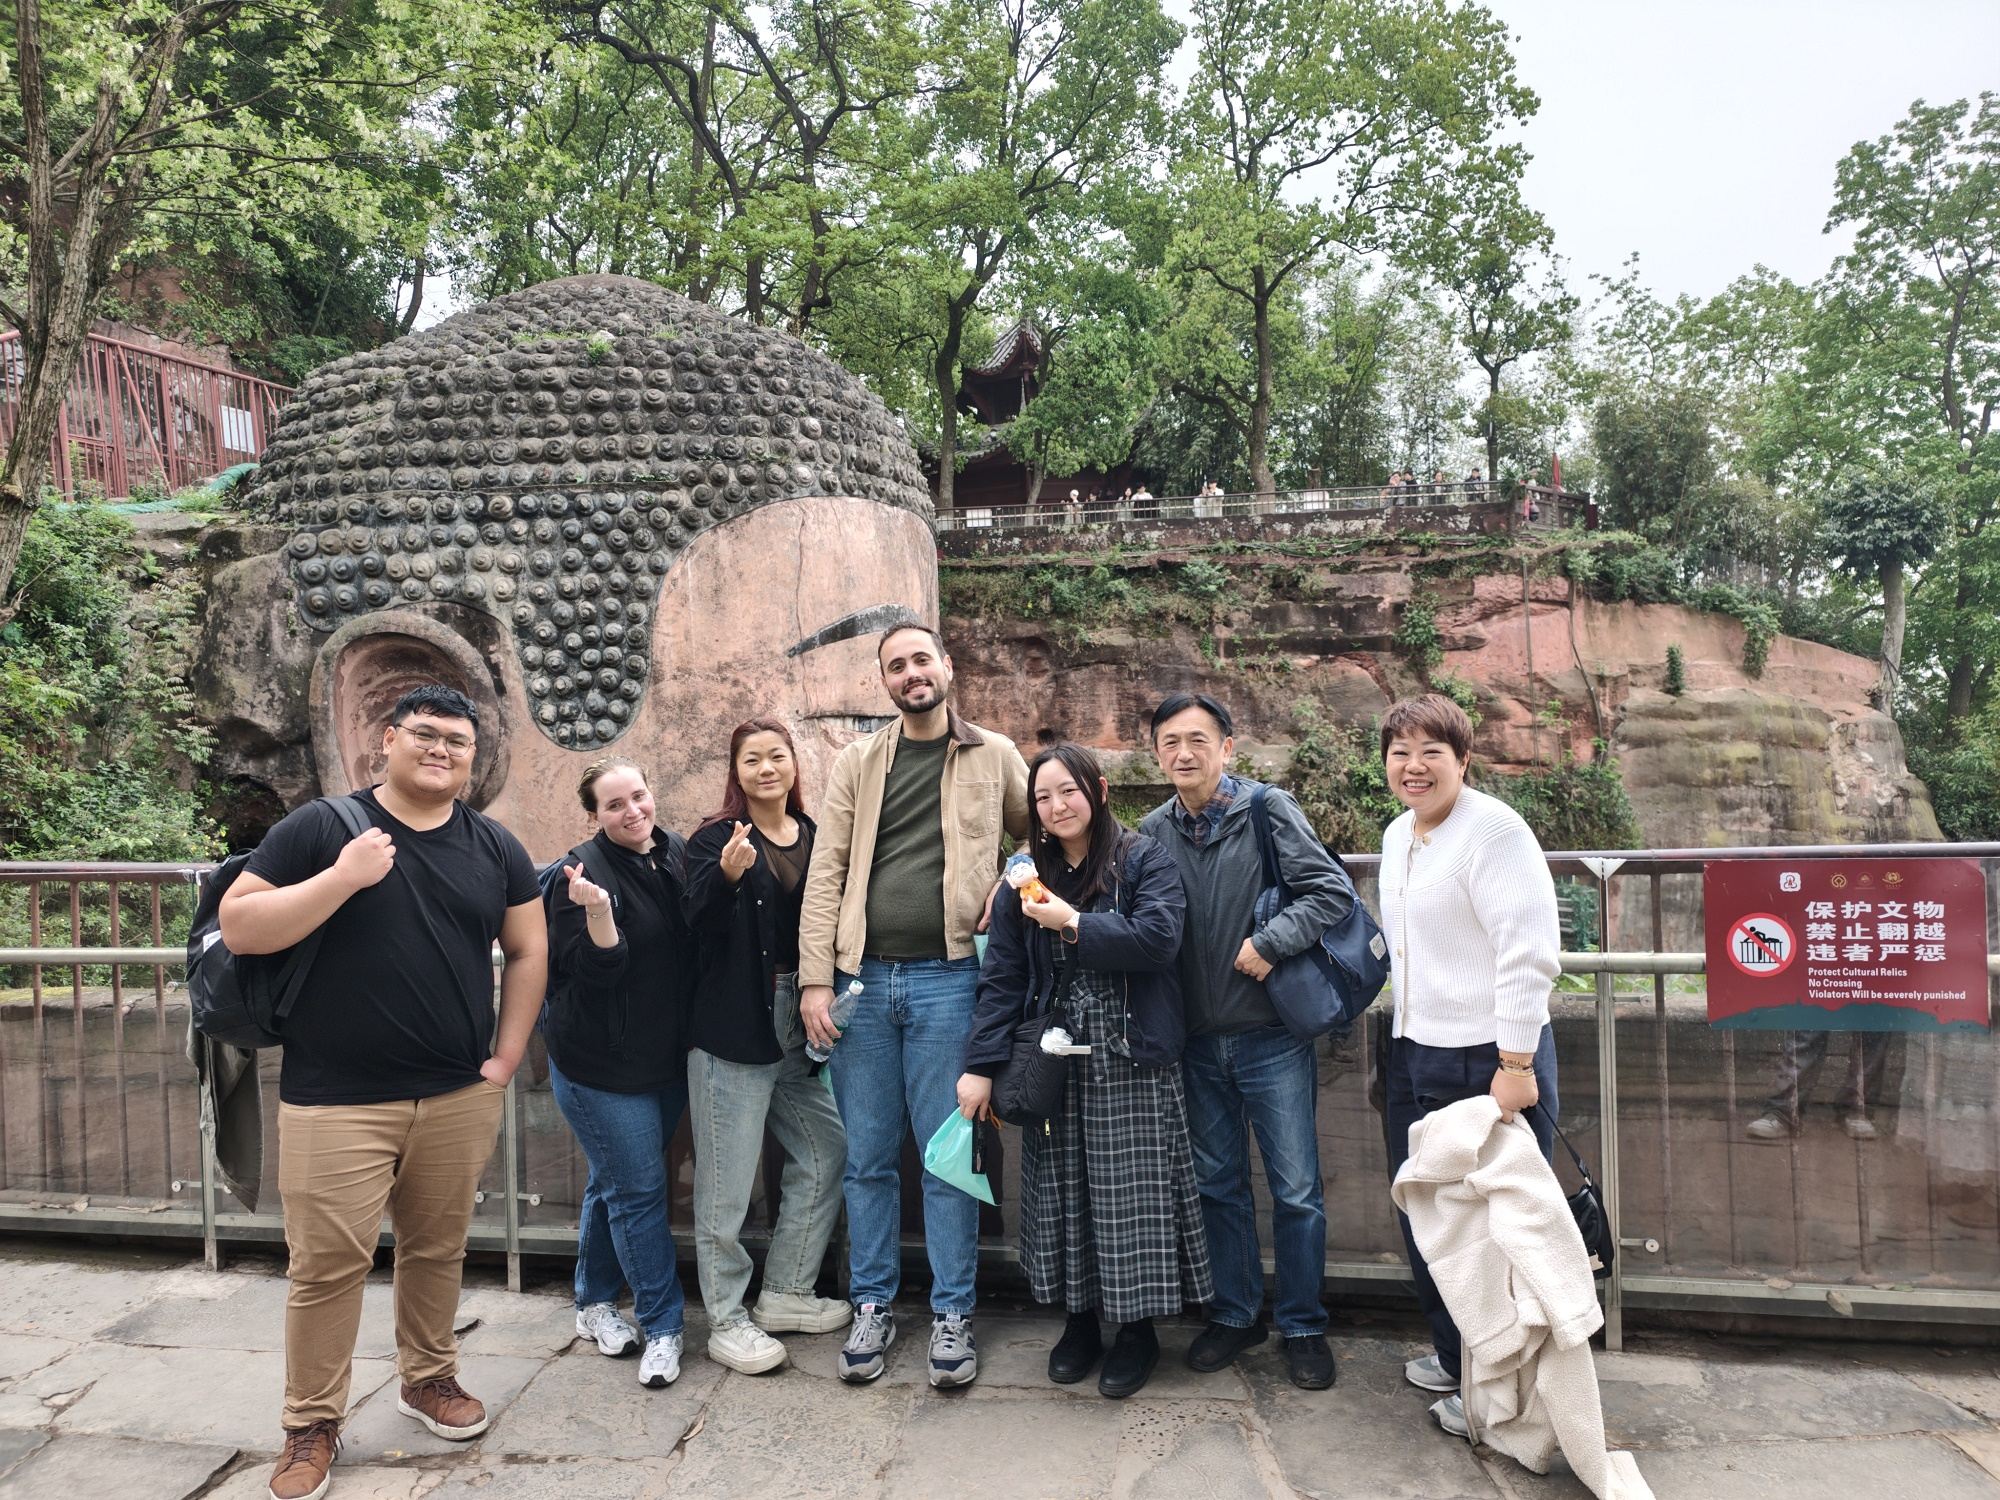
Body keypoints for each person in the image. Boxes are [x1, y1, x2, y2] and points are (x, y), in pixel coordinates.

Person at [220, 684, 546, 1500]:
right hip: (335, 1096)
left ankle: (428, 1377)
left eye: (458, 742)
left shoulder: (496, 846)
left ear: (475, 760)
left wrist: (504, 1059)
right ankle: (310, 1424)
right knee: (326, 1266)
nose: (441, 750)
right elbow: (241, 924)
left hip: (455, 1090)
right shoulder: (327, 828)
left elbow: (530, 949)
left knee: (437, 1249)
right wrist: (342, 878)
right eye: (425, 735)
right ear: (386, 743)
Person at [798, 620, 1030, 1388]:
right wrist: (814, 980)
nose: (910, 674)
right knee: (866, 1161)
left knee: (949, 1159)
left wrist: (1013, 874)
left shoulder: (994, 755)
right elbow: (825, 872)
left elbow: (1043, 837)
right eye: (895, 666)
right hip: (863, 983)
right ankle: (872, 1303)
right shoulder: (859, 763)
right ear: (887, 682)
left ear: (947, 666)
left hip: (950, 979)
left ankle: (953, 1313)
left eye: (920, 659)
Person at [959, 743, 1211, 1400]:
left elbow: (1159, 940)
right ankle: (1078, 1320)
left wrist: (1072, 922)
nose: (1055, 806)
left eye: (1066, 791)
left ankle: (1135, 1330)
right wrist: (980, 1066)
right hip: (1052, 1049)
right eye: (1042, 797)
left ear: (1097, 790)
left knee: (1132, 1195)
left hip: (1130, 1049)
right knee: (1061, 1187)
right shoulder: (1024, 874)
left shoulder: (1143, 857)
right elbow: (1004, 976)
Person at [1138, 693, 1351, 1391]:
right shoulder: (1150, 832)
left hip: (1269, 1035)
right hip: (1195, 1044)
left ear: (1228, 747)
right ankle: (1235, 1314)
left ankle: (1303, 1323)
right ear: (1157, 754)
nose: (1184, 753)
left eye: (1198, 739)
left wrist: (1269, 941)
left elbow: (1330, 891)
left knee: (1296, 1190)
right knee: (1216, 1186)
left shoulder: (1266, 809)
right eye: (1170, 742)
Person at [1375, 692, 1562, 1441]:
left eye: (1431, 753)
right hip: (1414, 1047)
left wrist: (1515, 1062)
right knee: (1431, 1216)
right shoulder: (1399, 836)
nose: (1413, 767)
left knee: (1497, 1234)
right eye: (1400, 753)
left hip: (1488, 1055)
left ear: (1463, 761)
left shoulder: (1495, 832)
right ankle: (1458, 1356)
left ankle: (1505, 1397)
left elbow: (1529, 951)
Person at [683, 718, 851, 1374]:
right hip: (733, 1026)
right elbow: (691, 925)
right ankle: (726, 1319)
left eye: (776, 756)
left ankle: (784, 1291)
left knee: (825, 1147)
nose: (765, 768)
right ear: (737, 770)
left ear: (792, 764)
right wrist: (724, 878)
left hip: (801, 1016)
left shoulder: (813, 835)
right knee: (726, 1184)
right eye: (751, 759)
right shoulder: (711, 839)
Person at [541, 756, 695, 1390]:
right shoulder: (574, 876)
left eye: (639, 796)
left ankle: (592, 1301)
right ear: (593, 816)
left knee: (615, 1182)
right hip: (600, 1066)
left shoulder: (676, 851)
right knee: (638, 1193)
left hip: (664, 1057)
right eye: (614, 805)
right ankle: (662, 1327)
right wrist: (600, 914)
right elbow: (592, 973)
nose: (633, 812)